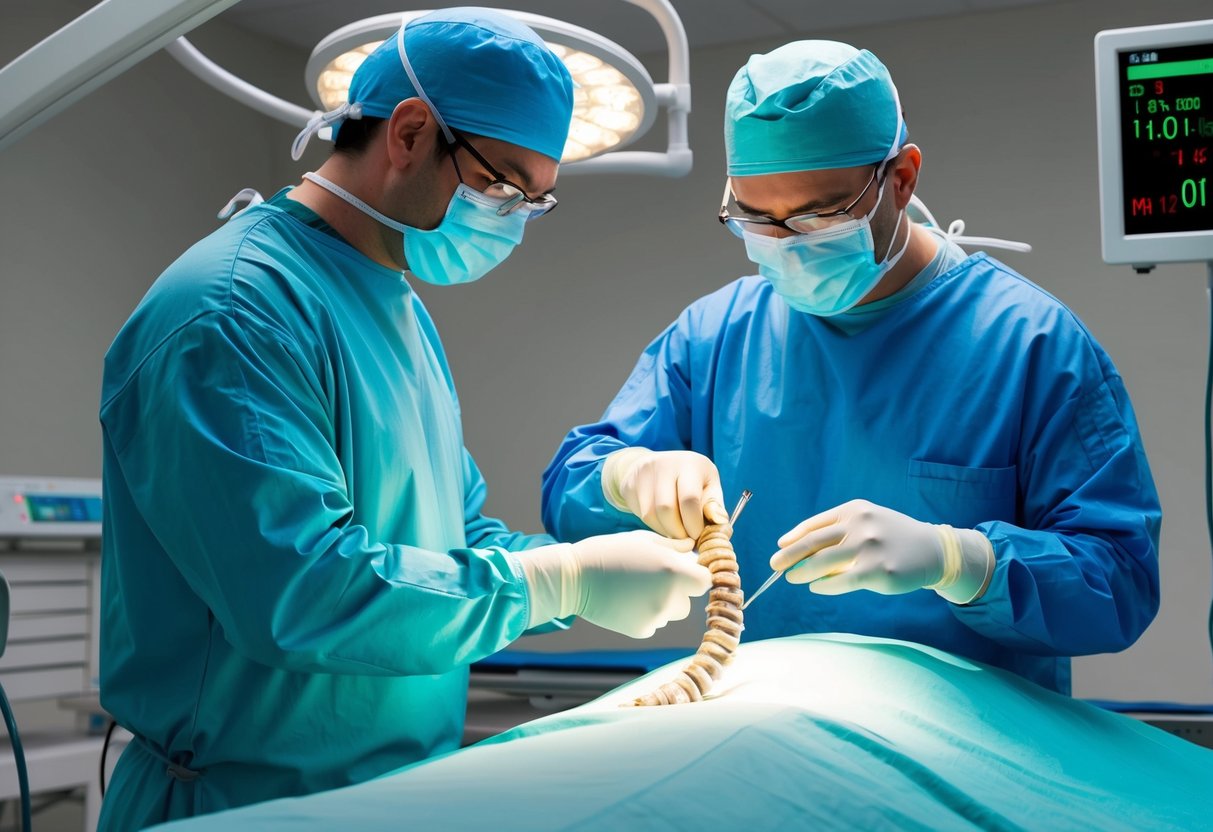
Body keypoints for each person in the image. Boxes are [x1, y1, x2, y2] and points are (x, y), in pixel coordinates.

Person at [98, 9, 710, 829]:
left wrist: (585, 570)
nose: (516, 218)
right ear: (412, 133)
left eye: (538, 200)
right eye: (505, 187)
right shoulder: (234, 312)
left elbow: (452, 544)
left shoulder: (397, 309)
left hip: (393, 792)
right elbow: (303, 592)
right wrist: (557, 583)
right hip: (244, 802)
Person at [542, 40, 1161, 696]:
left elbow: (1117, 583)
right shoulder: (715, 335)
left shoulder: (1029, 344)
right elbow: (569, 493)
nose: (786, 245)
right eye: (755, 218)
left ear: (901, 178)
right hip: (777, 733)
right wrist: (626, 476)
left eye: (820, 216)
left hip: (969, 754)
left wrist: (961, 561)